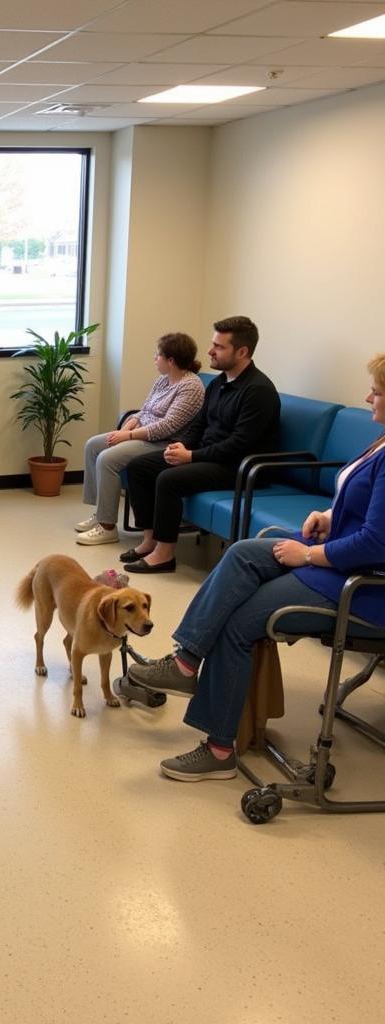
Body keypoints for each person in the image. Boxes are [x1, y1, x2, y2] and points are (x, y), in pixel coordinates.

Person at [128, 355, 385, 782]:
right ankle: (186, 663)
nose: (366, 398)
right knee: (250, 549)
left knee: (240, 622)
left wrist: (308, 555)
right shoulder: (380, 442)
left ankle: (219, 748)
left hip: (362, 587)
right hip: (339, 554)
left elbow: (377, 541)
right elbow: (362, 506)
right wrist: (327, 513)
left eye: (376, 392)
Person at [122, 316, 280, 573]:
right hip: (208, 456)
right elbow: (199, 424)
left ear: (242, 352)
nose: (210, 351)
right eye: (213, 344)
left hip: (238, 466)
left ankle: (164, 554)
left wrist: (192, 456)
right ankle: (150, 540)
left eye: (219, 346)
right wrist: (180, 447)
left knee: (168, 479)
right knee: (139, 466)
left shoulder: (258, 391)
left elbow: (239, 444)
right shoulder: (219, 383)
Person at [76, 333, 205, 546]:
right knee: (93, 445)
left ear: (170, 360)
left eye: (158, 355)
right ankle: (100, 512)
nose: (155, 358)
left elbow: (168, 426)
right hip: (142, 434)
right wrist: (127, 426)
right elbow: (143, 411)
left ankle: (107, 527)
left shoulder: (191, 386)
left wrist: (127, 436)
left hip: (165, 442)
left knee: (107, 459)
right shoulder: (163, 380)